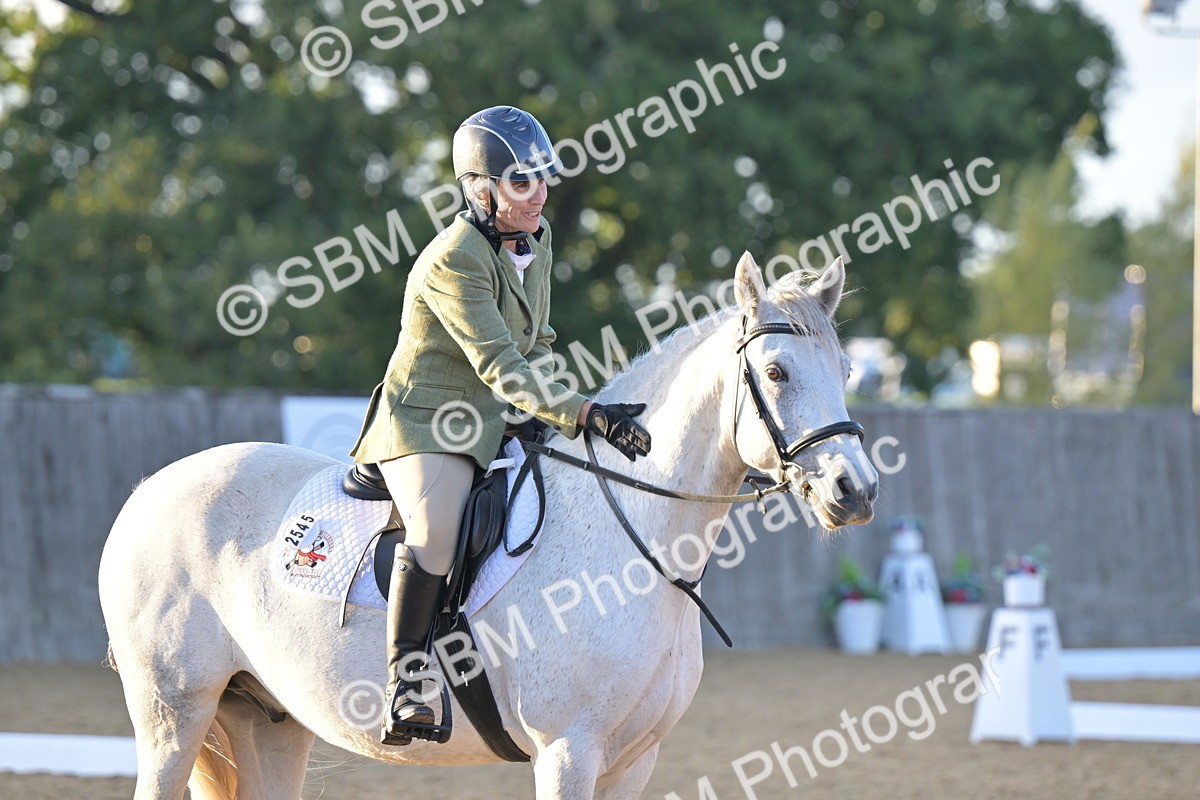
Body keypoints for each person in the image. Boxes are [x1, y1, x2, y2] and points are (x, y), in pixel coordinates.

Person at [349, 105, 652, 746]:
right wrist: (583, 414)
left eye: (543, 177)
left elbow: (538, 344)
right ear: (480, 190)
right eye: (522, 181)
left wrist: (561, 409)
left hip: (499, 412)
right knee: (436, 529)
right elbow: (500, 365)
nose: (539, 193)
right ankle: (407, 682)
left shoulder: (533, 242)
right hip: (428, 420)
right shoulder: (452, 260)